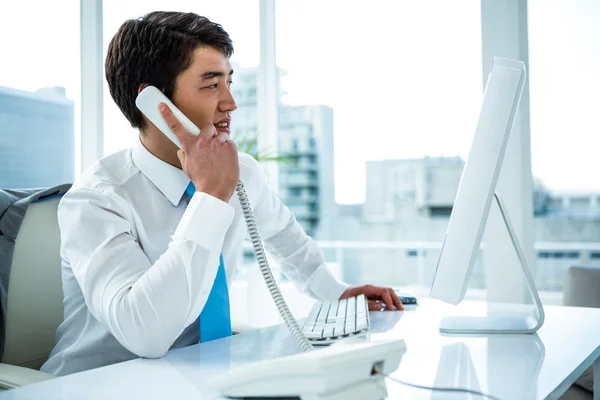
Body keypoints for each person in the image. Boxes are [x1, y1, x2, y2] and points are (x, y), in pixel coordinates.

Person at [41, 11, 403, 376]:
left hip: (201, 378)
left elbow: (286, 240)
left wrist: (337, 293)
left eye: (229, 82)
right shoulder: (97, 199)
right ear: (154, 103)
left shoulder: (241, 171)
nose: (230, 102)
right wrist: (210, 198)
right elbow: (145, 334)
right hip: (98, 385)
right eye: (212, 84)